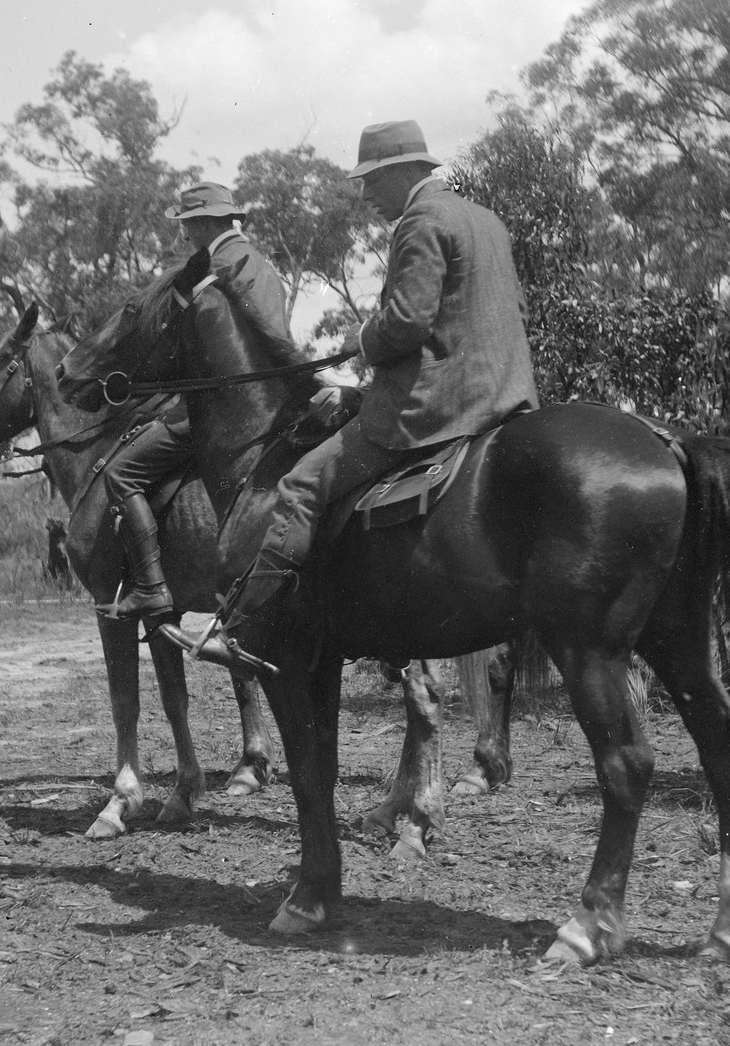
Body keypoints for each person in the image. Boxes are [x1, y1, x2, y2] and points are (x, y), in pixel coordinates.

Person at [164, 120, 539, 670]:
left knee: (301, 484)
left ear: (403, 171)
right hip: (506, 397)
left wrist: (357, 342)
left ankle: (247, 628)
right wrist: (359, 391)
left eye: (371, 180)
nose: (364, 196)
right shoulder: (486, 220)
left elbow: (408, 322)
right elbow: (493, 320)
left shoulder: (421, 220)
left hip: (439, 409)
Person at [94, 181, 291, 625]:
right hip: (270, 405)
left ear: (202, 223)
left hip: (220, 412)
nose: (184, 235)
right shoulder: (263, 265)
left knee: (120, 473)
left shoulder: (212, 271)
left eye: (186, 224)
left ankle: (151, 587)